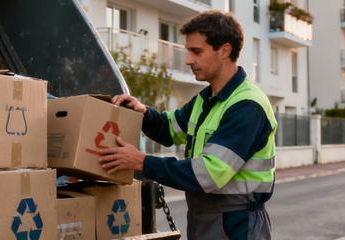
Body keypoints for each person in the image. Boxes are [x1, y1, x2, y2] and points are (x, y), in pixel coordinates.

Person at [97, 10, 277, 240]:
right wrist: (142, 113)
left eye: (196, 51)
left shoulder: (247, 106)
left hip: (238, 224)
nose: (188, 60)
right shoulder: (205, 100)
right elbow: (169, 129)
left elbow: (208, 174)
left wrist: (142, 162)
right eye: (188, 51)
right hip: (205, 218)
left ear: (224, 50)